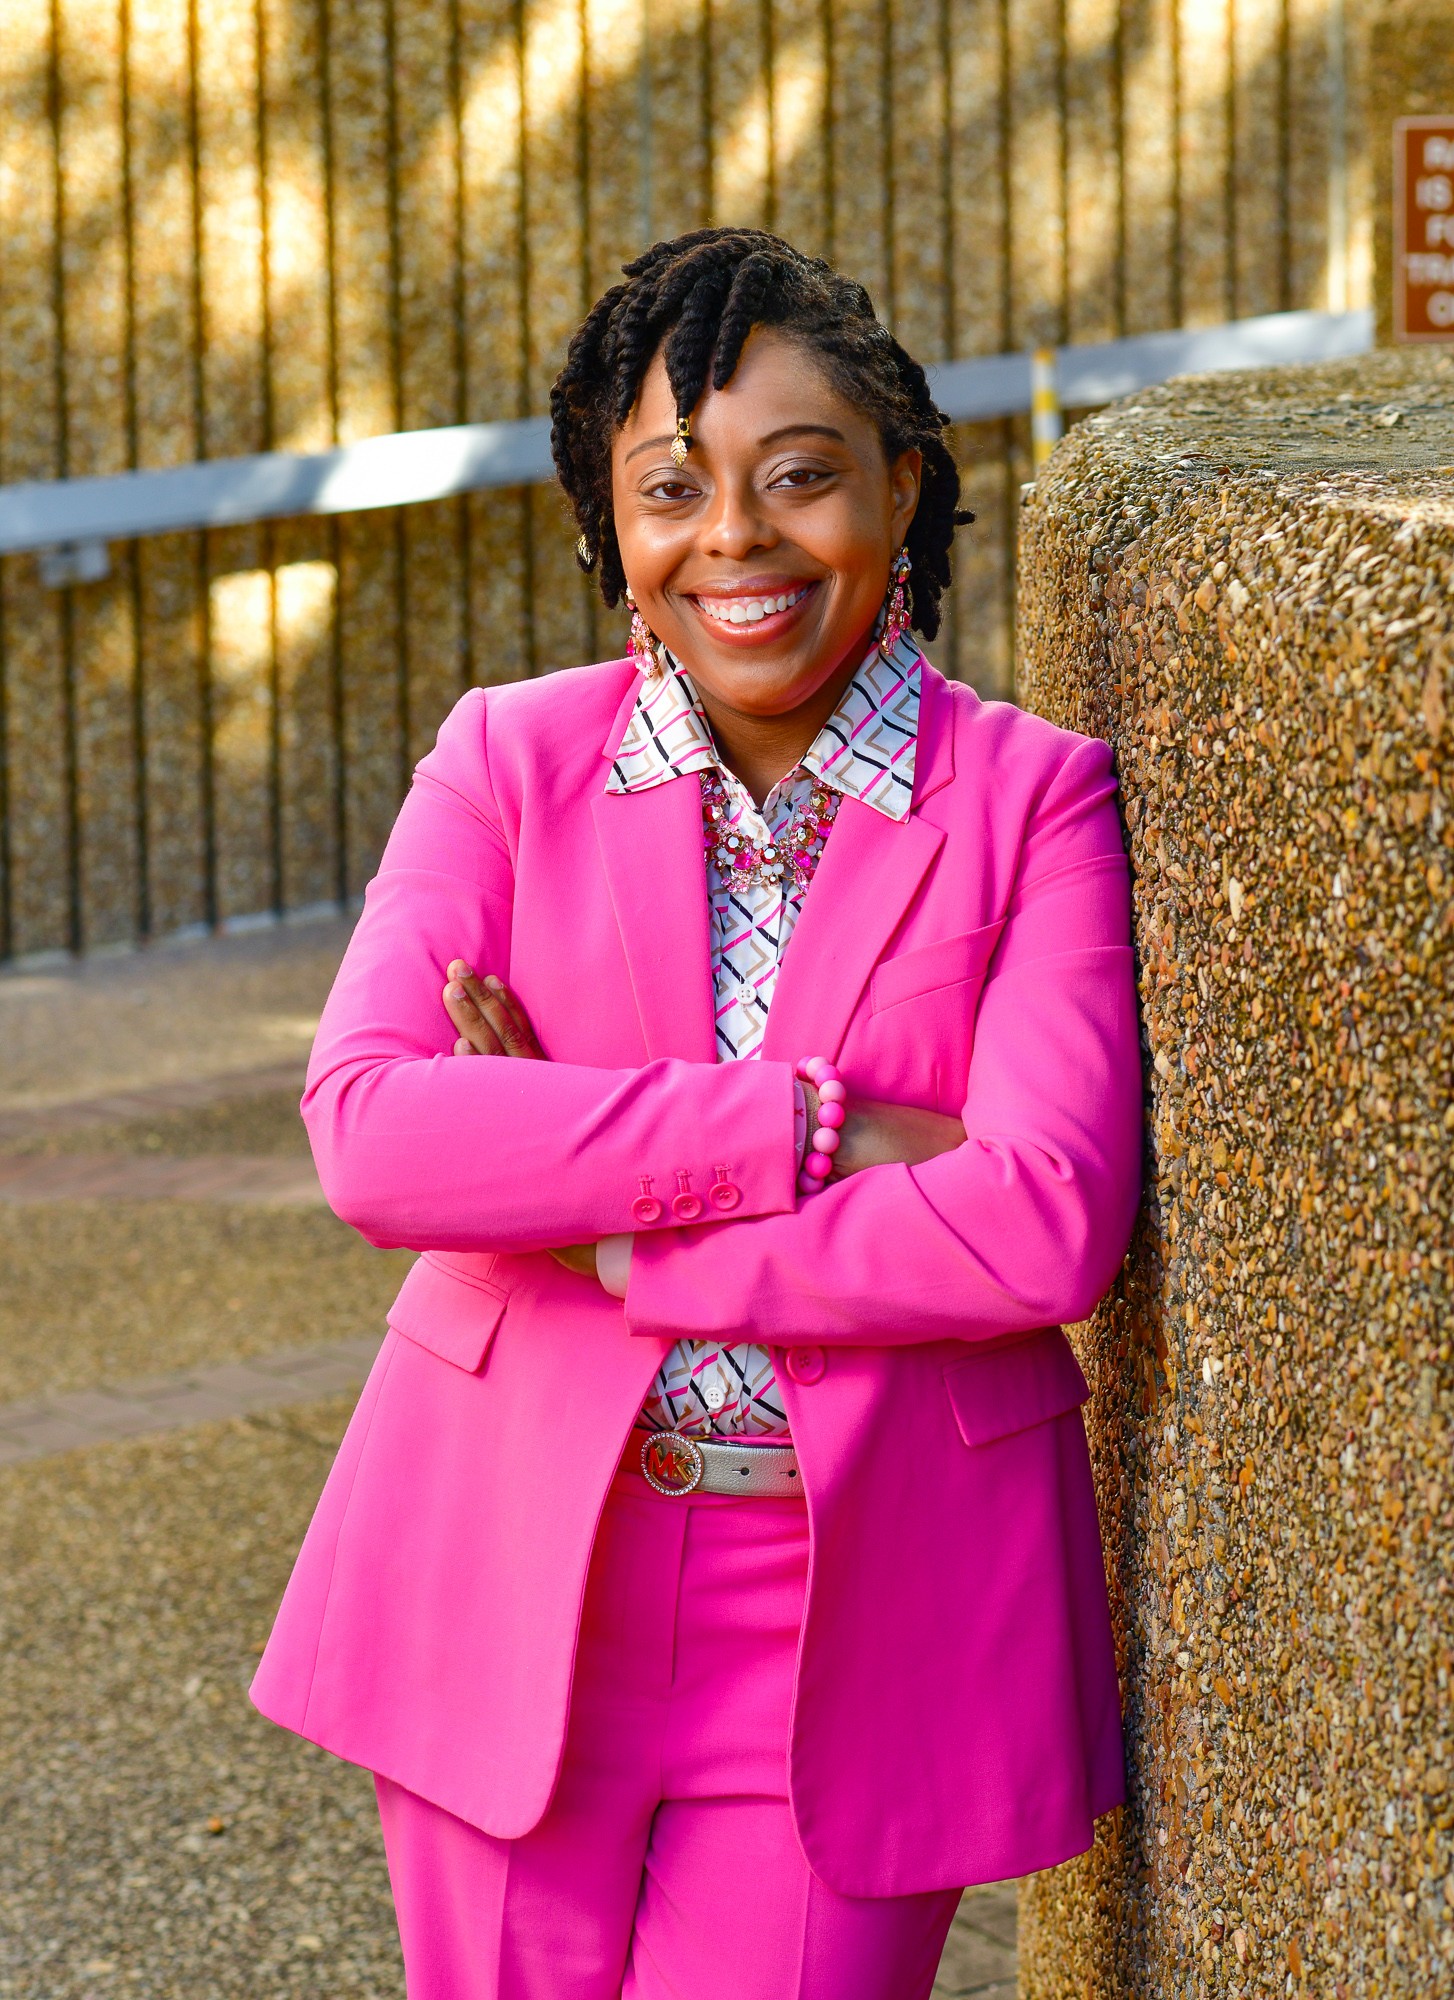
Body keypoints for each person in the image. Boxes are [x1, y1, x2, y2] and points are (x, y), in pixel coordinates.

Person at [251, 227, 1142, 2000]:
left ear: (901, 487)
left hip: (866, 1601)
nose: (734, 536)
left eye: (798, 476)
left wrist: (589, 1207)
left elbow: (1044, 1221)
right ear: (612, 524)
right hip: (507, 1564)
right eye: (670, 488)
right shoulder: (505, 762)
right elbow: (371, 1131)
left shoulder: (1033, 800)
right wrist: (805, 1129)